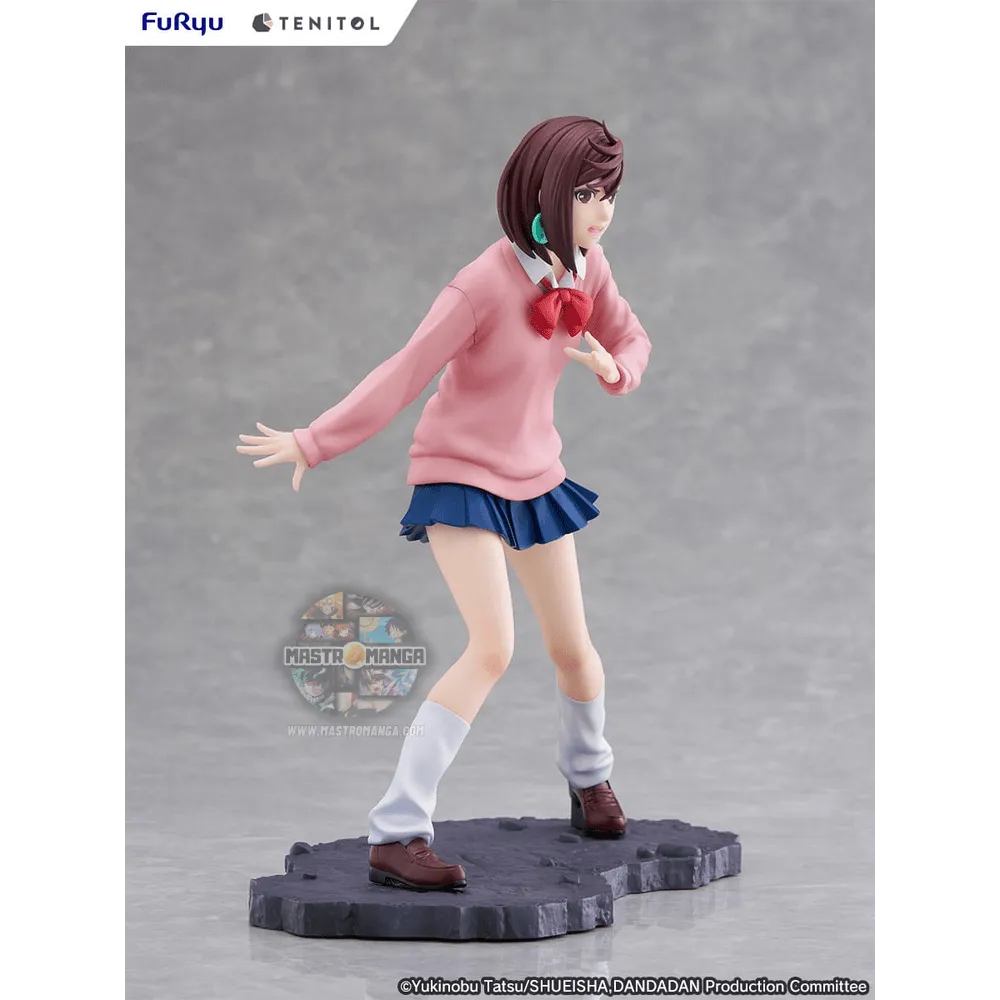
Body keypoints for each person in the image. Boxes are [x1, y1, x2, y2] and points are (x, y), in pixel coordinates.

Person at [237, 116, 652, 892]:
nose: (602, 210)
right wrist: (314, 440)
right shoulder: (480, 285)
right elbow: (403, 373)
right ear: (543, 193)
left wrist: (613, 368)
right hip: (460, 474)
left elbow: (633, 340)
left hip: (536, 475)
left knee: (574, 648)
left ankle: (589, 778)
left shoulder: (588, 267)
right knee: (491, 648)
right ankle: (397, 831)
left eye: (609, 193)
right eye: (586, 193)